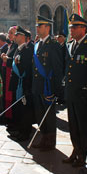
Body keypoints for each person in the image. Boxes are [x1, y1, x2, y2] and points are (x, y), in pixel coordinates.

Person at [63, 14, 87, 167]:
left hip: (83, 93)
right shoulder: (72, 44)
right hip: (72, 92)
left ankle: (82, 155)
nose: (71, 30)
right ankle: (75, 150)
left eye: (74, 27)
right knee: (73, 125)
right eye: (71, 27)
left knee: (82, 126)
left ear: (83, 28)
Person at [32, 15, 63, 151]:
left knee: (49, 115)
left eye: (40, 26)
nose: (37, 28)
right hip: (38, 85)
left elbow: (57, 68)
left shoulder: (54, 45)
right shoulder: (38, 44)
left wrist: (56, 90)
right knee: (40, 114)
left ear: (47, 27)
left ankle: (50, 142)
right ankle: (44, 137)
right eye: (37, 26)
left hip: (48, 86)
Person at [7, 27, 34, 142]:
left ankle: (25, 132)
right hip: (17, 82)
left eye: (17, 35)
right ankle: (19, 129)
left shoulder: (27, 50)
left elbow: (26, 67)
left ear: (23, 37)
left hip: (23, 84)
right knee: (18, 108)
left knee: (25, 110)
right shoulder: (19, 49)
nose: (15, 37)